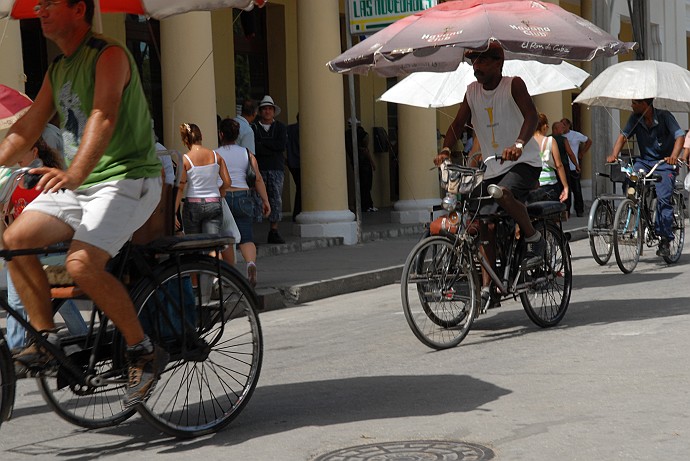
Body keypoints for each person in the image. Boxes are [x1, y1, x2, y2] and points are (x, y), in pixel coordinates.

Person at [0, 0, 167, 406]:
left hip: (128, 180)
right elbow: (27, 128)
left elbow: (103, 116)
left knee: (79, 263)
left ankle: (144, 350)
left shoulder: (108, 54)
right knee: (16, 239)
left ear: (78, 9)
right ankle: (43, 339)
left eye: (49, 4)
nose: (40, 12)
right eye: (37, 5)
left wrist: (74, 174)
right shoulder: (59, 68)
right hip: (84, 186)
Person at [435, 42, 545, 308]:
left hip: (524, 163)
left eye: (483, 61)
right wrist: (446, 149)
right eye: (474, 61)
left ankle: (534, 238)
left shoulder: (513, 85)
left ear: (499, 63)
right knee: (480, 218)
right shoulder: (472, 92)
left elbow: (531, 116)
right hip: (492, 168)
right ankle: (488, 286)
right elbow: (457, 124)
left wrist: (519, 144)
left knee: (501, 193)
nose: (477, 66)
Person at [3, 137, 88, 351]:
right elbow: (11, 213)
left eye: (21, 152)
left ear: (34, 152)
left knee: (57, 300)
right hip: (23, 247)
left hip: (46, 249)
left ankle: (81, 336)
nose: (18, 157)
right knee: (16, 302)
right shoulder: (16, 179)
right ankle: (16, 348)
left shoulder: (46, 179)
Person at [606, 98, 684, 257]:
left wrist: (674, 157)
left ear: (645, 104)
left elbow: (680, 136)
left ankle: (665, 239)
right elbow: (623, 136)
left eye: (635, 103)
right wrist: (614, 154)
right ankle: (633, 206)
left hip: (664, 163)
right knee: (631, 177)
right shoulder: (635, 118)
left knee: (663, 198)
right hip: (645, 162)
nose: (631, 105)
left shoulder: (664, 116)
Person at [217, 118, 271, 287]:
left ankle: (228, 274)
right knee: (246, 237)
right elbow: (258, 178)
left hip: (223, 197)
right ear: (237, 135)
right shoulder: (246, 153)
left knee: (226, 237)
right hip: (243, 196)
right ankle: (251, 264)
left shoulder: (215, 154)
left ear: (221, 134)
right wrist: (265, 200)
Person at [176, 123, 231, 237]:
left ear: (185, 141)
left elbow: (180, 187)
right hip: (214, 202)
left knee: (194, 243)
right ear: (201, 137)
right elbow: (227, 182)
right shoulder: (216, 156)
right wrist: (222, 190)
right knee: (213, 243)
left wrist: (174, 212)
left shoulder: (185, 159)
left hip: (193, 203)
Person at [252, 95, 287, 244]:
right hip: (258, 168)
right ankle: (253, 232)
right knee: (256, 199)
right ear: (260, 111)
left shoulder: (280, 127)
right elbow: (255, 147)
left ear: (273, 111)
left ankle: (274, 230)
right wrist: (269, 146)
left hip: (276, 168)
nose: (267, 111)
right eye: (264, 109)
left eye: (270, 109)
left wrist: (264, 145)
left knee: (275, 199)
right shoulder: (254, 127)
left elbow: (280, 146)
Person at [527, 113, 569, 203]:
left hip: (532, 186)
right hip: (550, 185)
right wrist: (565, 187)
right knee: (553, 213)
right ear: (545, 126)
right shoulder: (550, 141)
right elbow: (559, 165)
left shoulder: (527, 142)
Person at [560, 118, 592, 217]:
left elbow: (588, 141)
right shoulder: (559, 136)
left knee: (577, 189)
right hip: (564, 166)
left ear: (569, 125)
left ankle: (579, 210)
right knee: (566, 189)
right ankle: (567, 211)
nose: (563, 126)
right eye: (561, 124)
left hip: (573, 166)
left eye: (565, 124)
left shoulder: (575, 135)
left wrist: (582, 152)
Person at [345, 118, 377, 212]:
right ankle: (367, 205)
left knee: (361, 185)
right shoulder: (360, 134)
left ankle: (362, 205)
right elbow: (366, 148)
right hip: (364, 164)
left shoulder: (347, 135)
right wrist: (372, 163)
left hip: (355, 163)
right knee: (366, 185)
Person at [550, 121, 579, 214]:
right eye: (560, 128)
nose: (563, 129)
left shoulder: (547, 138)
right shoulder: (563, 139)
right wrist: (576, 165)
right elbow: (570, 153)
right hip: (563, 166)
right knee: (566, 187)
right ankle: (566, 211)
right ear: (555, 129)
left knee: (555, 187)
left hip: (551, 167)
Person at [286, 113, 301, 221]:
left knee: (300, 188)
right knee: (302, 189)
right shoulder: (303, 129)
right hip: (301, 163)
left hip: (292, 162)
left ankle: (297, 213)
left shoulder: (289, 129)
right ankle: (297, 213)